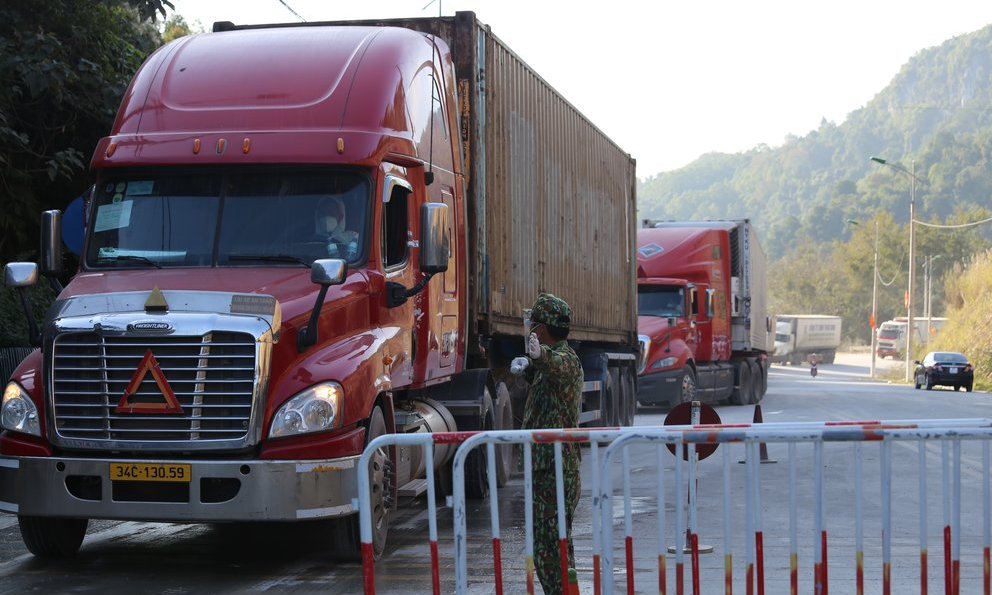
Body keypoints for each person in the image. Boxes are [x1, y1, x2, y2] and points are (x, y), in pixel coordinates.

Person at [509, 292, 583, 595]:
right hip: (543, 469)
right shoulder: (548, 363)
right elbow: (546, 379)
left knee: (553, 551)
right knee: (550, 549)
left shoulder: (566, 359)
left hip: (556, 470)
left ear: (541, 329)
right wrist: (529, 368)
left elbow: (559, 367)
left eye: (534, 324)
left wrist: (540, 357)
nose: (530, 329)